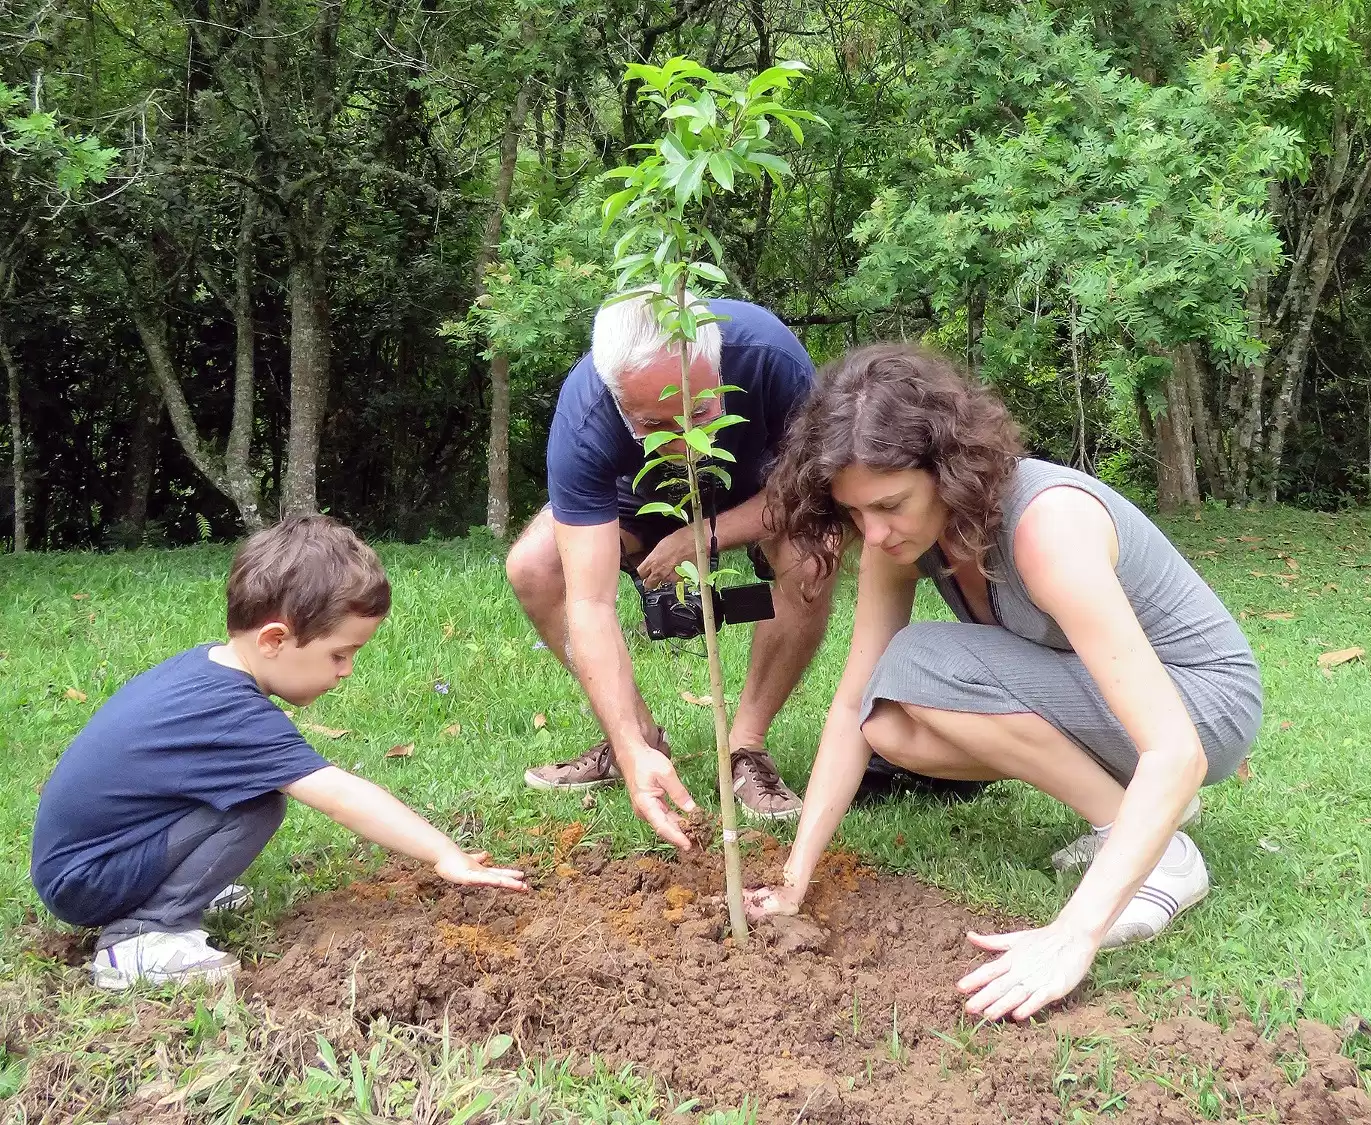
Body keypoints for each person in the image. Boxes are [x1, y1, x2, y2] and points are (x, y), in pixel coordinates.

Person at [747, 344, 1262, 1021]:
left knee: (916, 663)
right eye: (855, 512)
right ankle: (1127, 812)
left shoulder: (1045, 527)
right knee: (885, 716)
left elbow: (1177, 749)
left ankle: (1163, 855)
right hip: (1128, 707)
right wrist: (794, 878)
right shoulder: (899, 537)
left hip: (1203, 707)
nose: (873, 531)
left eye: (891, 504)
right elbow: (851, 703)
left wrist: (1073, 935)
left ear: (947, 469)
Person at [30, 516, 528, 990]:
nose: (346, 671)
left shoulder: (204, 671)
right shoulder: (232, 715)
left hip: (83, 861)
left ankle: (173, 888)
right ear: (274, 640)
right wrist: (445, 853)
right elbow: (339, 795)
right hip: (87, 880)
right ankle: (142, 937)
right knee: (258, 803)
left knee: (249, 794)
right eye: (340, 653)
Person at [506, 292, 837, 842]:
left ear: (717, 367)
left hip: (756, 490)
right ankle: (634, 743)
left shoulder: (769, 358)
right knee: (535, 566)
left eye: (700, 413)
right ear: (615, 396)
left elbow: (812, 491)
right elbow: (587, 602)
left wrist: (703, 536)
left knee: (812, 557)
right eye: (652, 424)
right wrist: (632, 746)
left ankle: (745, 748)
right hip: (635, 498)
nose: (684, 443)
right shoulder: (586, 413)